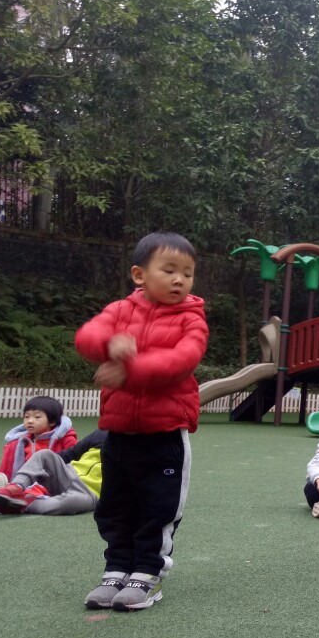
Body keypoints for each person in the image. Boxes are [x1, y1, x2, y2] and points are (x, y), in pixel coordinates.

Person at [74, 231, 209, 612]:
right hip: (119, 433)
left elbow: (180, 361)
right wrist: (108, 345)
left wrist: (129, 369)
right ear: (139, 274)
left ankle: (148, 574)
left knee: (158, 508)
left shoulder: (192, 319)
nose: (179, 280)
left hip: (165, 434)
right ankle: (116, 569)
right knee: (114, 506)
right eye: (169, 270)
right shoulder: (120, 311)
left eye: (187, 273)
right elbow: (87, 335)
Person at [0, 430, 107, 515]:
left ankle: (22, 504)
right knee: (44, 454)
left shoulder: (119, 449)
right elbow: (69, 454)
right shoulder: (101, 434)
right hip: (68, 475)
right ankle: (15, 488)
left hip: (90, 493)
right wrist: (44, 467)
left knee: (69, 503)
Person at [0, 396, 77, 503]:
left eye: (37, 417)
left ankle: (19, 496)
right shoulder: (19, 442)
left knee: (34, 490)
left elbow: (73, 463)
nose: (30, 421)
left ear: (52, 421)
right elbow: (6, 469)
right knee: (0, 485)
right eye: (26, 417)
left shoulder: (64, 439)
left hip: (51, 482)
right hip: (23, 481)